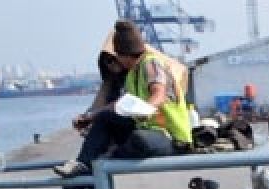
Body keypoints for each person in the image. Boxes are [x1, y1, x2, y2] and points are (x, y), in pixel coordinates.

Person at [55, 20, 193, 178]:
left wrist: (146, 109)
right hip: (149, 129)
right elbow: (120, 104)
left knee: (138, 139)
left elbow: (159, 94)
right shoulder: (132, 74)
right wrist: (91, 116)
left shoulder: (151, 64)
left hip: (170, 137)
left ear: (124, 55)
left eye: (118, 56)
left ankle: (105, 162)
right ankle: (83, 163)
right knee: (106, 118)